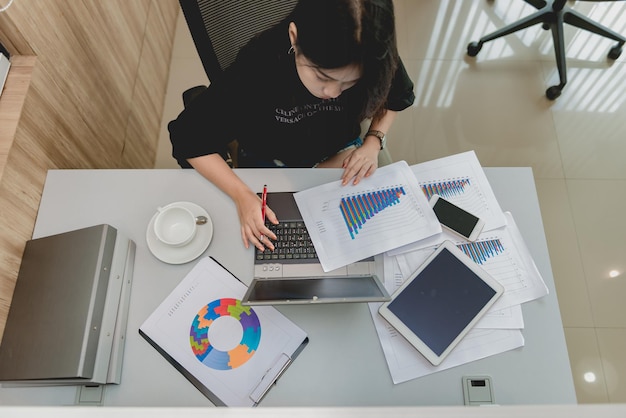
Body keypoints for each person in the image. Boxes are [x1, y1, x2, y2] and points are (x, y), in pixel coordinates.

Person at [168, 0, 415, 252]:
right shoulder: (257, 66)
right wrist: (241, 195)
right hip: (271, 157)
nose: (332, 92)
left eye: (350, 82)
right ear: (294, 37)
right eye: (322, 76)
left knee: (357, 241)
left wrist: (373, 141)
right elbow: (188, 138)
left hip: (339, 149)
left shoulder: (371, 52)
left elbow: (396, 96)